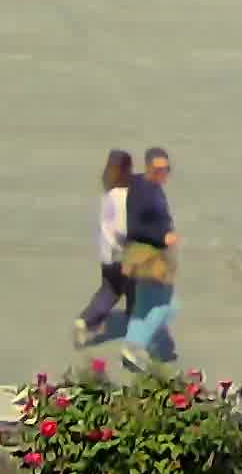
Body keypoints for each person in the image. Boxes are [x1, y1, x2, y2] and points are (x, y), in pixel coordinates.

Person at [118, 146, 181, 365]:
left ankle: (135, 346)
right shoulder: (140, 190)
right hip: (146, 256)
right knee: (168, 306)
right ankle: (135, 345)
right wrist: (162, 236)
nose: (162, 174)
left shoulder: (150, 186)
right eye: (157, 169)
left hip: (152, 255)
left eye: (166, 170)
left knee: (145, 304)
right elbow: (133, 227)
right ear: (147, 167)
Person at [74, 147, 133, 345]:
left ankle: (85, 321)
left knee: (109, 291)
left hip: (107, 256)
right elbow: (123, 230)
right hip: (124, 255)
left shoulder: (108, 195)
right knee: (135, 290)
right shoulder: (125, 196)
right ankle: (137, 328)